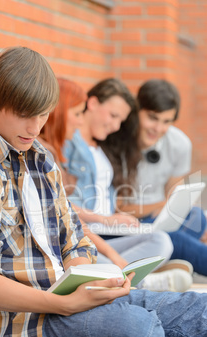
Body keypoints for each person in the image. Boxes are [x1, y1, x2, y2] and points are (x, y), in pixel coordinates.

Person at [0, 46, 207, 337]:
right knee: (140, 333)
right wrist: (62, 303)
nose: (35, 127)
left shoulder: (40, 159)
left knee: (200, 310)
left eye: (43, 114)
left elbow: (75, 239)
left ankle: (176, 335)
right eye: (25, 114)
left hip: (69, 300)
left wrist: (87, 280)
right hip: (22, 327)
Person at [63, 78, 193, 291]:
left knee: (165, 238)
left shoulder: (101, 143)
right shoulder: (70, 143)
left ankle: (127, 276)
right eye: (113, 116)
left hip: (109, 228)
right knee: (176, 238)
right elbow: (65, 208)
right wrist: (108, 219)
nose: (115, 126)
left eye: (120, 121)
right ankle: (143, 280)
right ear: (93, 104)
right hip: (91, 232)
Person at [116, 79, 207, 276]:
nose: (158, 129)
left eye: (167, 121)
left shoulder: (179, 143)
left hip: (157, 218)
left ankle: (160, 265)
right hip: (126, 223)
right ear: (136, 111)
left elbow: (173, 195)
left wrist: (168, 208)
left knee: (197, 217)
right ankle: (163, 263)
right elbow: (119, 207)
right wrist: (162, 205)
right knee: (177, 240)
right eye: (152, 118)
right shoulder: (117, 140)